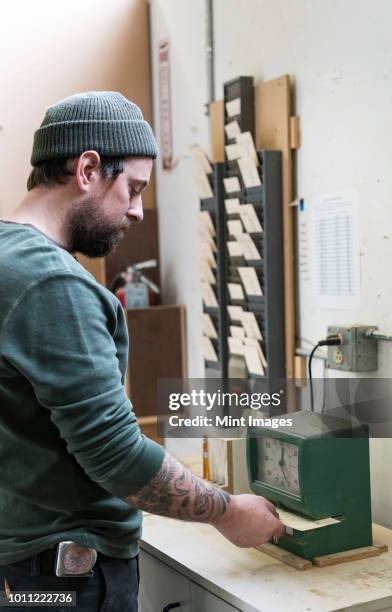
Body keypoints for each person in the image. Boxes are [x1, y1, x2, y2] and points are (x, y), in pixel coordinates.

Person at [0, 91, 285, 611]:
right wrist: (228, 511)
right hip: (63, 583)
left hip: (22, 576)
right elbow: (116, 456)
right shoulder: (52, 284)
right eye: (132, 188)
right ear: (87, 169)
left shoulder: (7, 259)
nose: (136, 211)